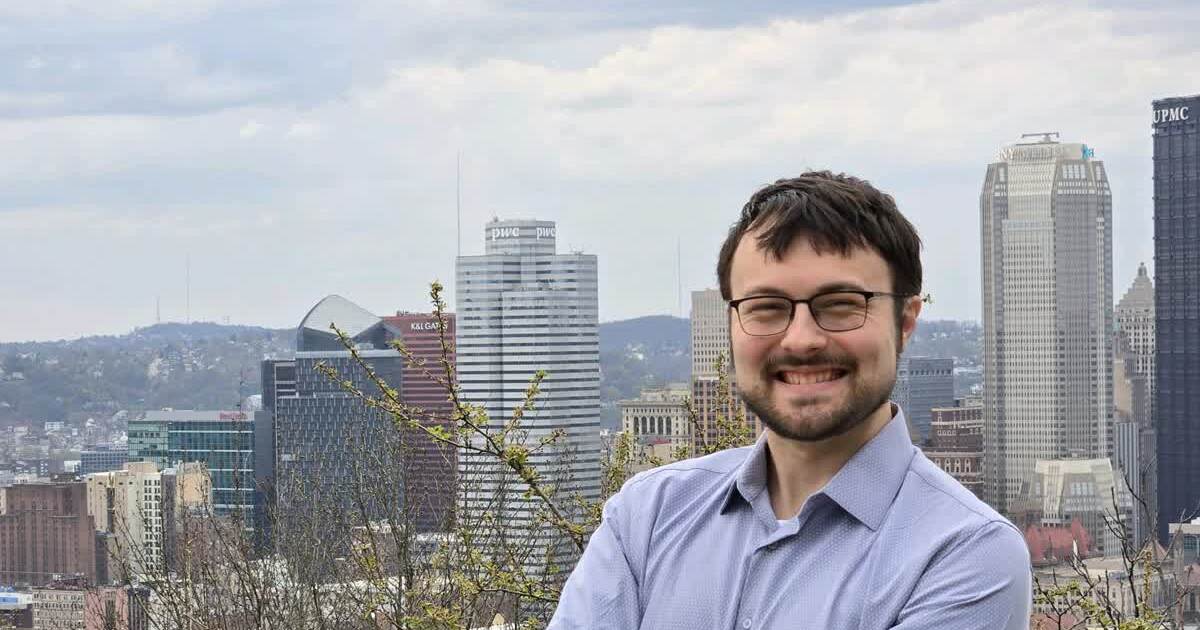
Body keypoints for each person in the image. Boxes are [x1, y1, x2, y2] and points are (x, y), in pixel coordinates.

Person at [550, 171, 1031, 629]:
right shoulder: (647, 515)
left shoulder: (966, 554)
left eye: (842, 304)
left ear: (906, 321)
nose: (801, 340)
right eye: (767, 308)